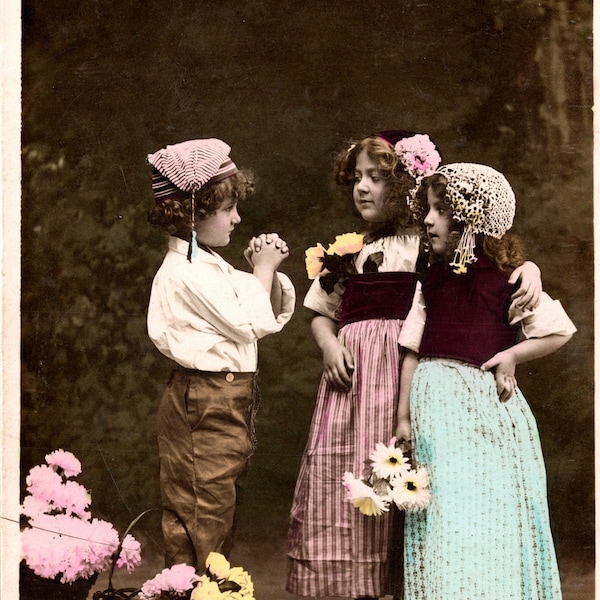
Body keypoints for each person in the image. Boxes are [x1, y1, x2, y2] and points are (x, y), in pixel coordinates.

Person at [286, 132, 542, 600]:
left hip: (410, 381)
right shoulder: (347, 252)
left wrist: (530, 270)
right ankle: (354, 584)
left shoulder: (431, 246)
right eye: (357, 178)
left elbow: (488, 270)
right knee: (353, 476)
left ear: (406, 185)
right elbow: (321, 312)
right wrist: (327, 345)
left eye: (377, 178)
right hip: (356, 385)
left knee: (416, 482)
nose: (362, 188)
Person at [397, 163, 576, 599]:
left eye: (441, 211)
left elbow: (559, 330)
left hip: (485, 410)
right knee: (445, 513)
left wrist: (511, 356)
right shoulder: (431, 279)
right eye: (430, 209)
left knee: (488, 510)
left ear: (468, 221)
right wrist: (402, 417)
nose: (428, 219)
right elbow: (412, 349)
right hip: (434, 406)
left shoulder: (508, 279)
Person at [146, 138, 296, 573]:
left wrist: (258, 272)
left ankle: (206, 587)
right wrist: (263, 270)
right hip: (205, 403)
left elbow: (252, 308)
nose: (238, 217)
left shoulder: (207, 264)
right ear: (194, 212)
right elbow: (249, 322)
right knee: (200, 512)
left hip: (225, 400)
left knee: (216, 508)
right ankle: (191, 589)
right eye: (228, 208)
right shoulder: (185, 271)